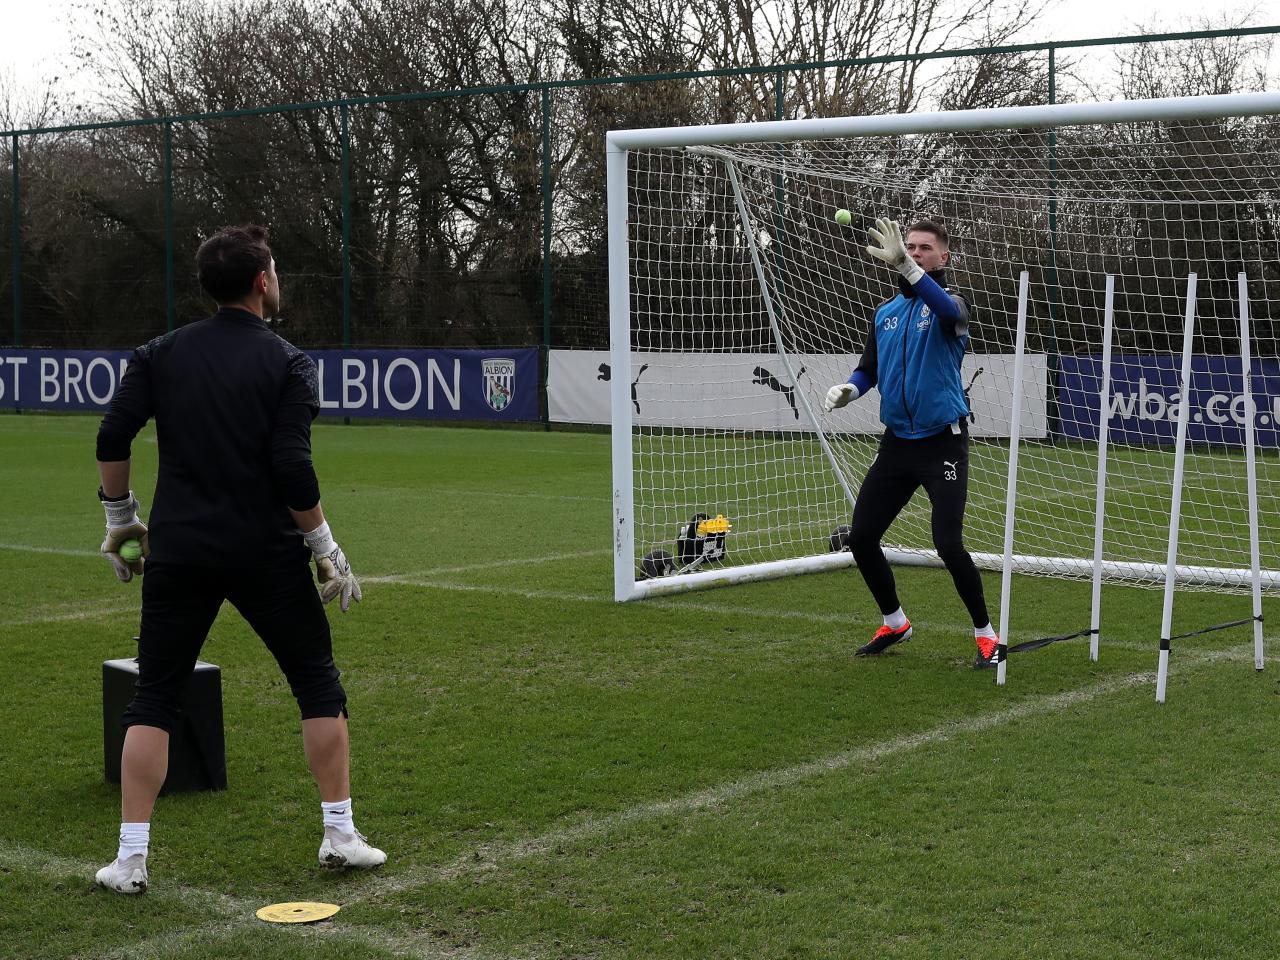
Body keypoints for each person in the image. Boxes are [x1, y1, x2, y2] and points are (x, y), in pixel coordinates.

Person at [93, 225, 385, 895]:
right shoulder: (287, 361)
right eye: (275, 269)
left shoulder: (159, 353)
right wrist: (326, 549)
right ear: (262, 281)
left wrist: (120, 519)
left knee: (155, 698)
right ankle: (339, 834)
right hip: (264, 552)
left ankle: (130, 860)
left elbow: (112, 435)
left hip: (181, 550)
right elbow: (291, 469)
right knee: (316, 683)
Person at [823, 217, 1000, 670]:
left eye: (924, 248)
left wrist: (909, 269)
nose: (915, 252)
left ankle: (986, 635)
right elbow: (869, 369)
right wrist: (850, 388)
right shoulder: (885, 313)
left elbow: (945, 311)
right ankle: (895, 621)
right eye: (911, 247)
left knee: (947, 543)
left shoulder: (951, 304)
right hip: (897, 443)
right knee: (861, 537)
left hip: (942, 442)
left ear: (944, 257)